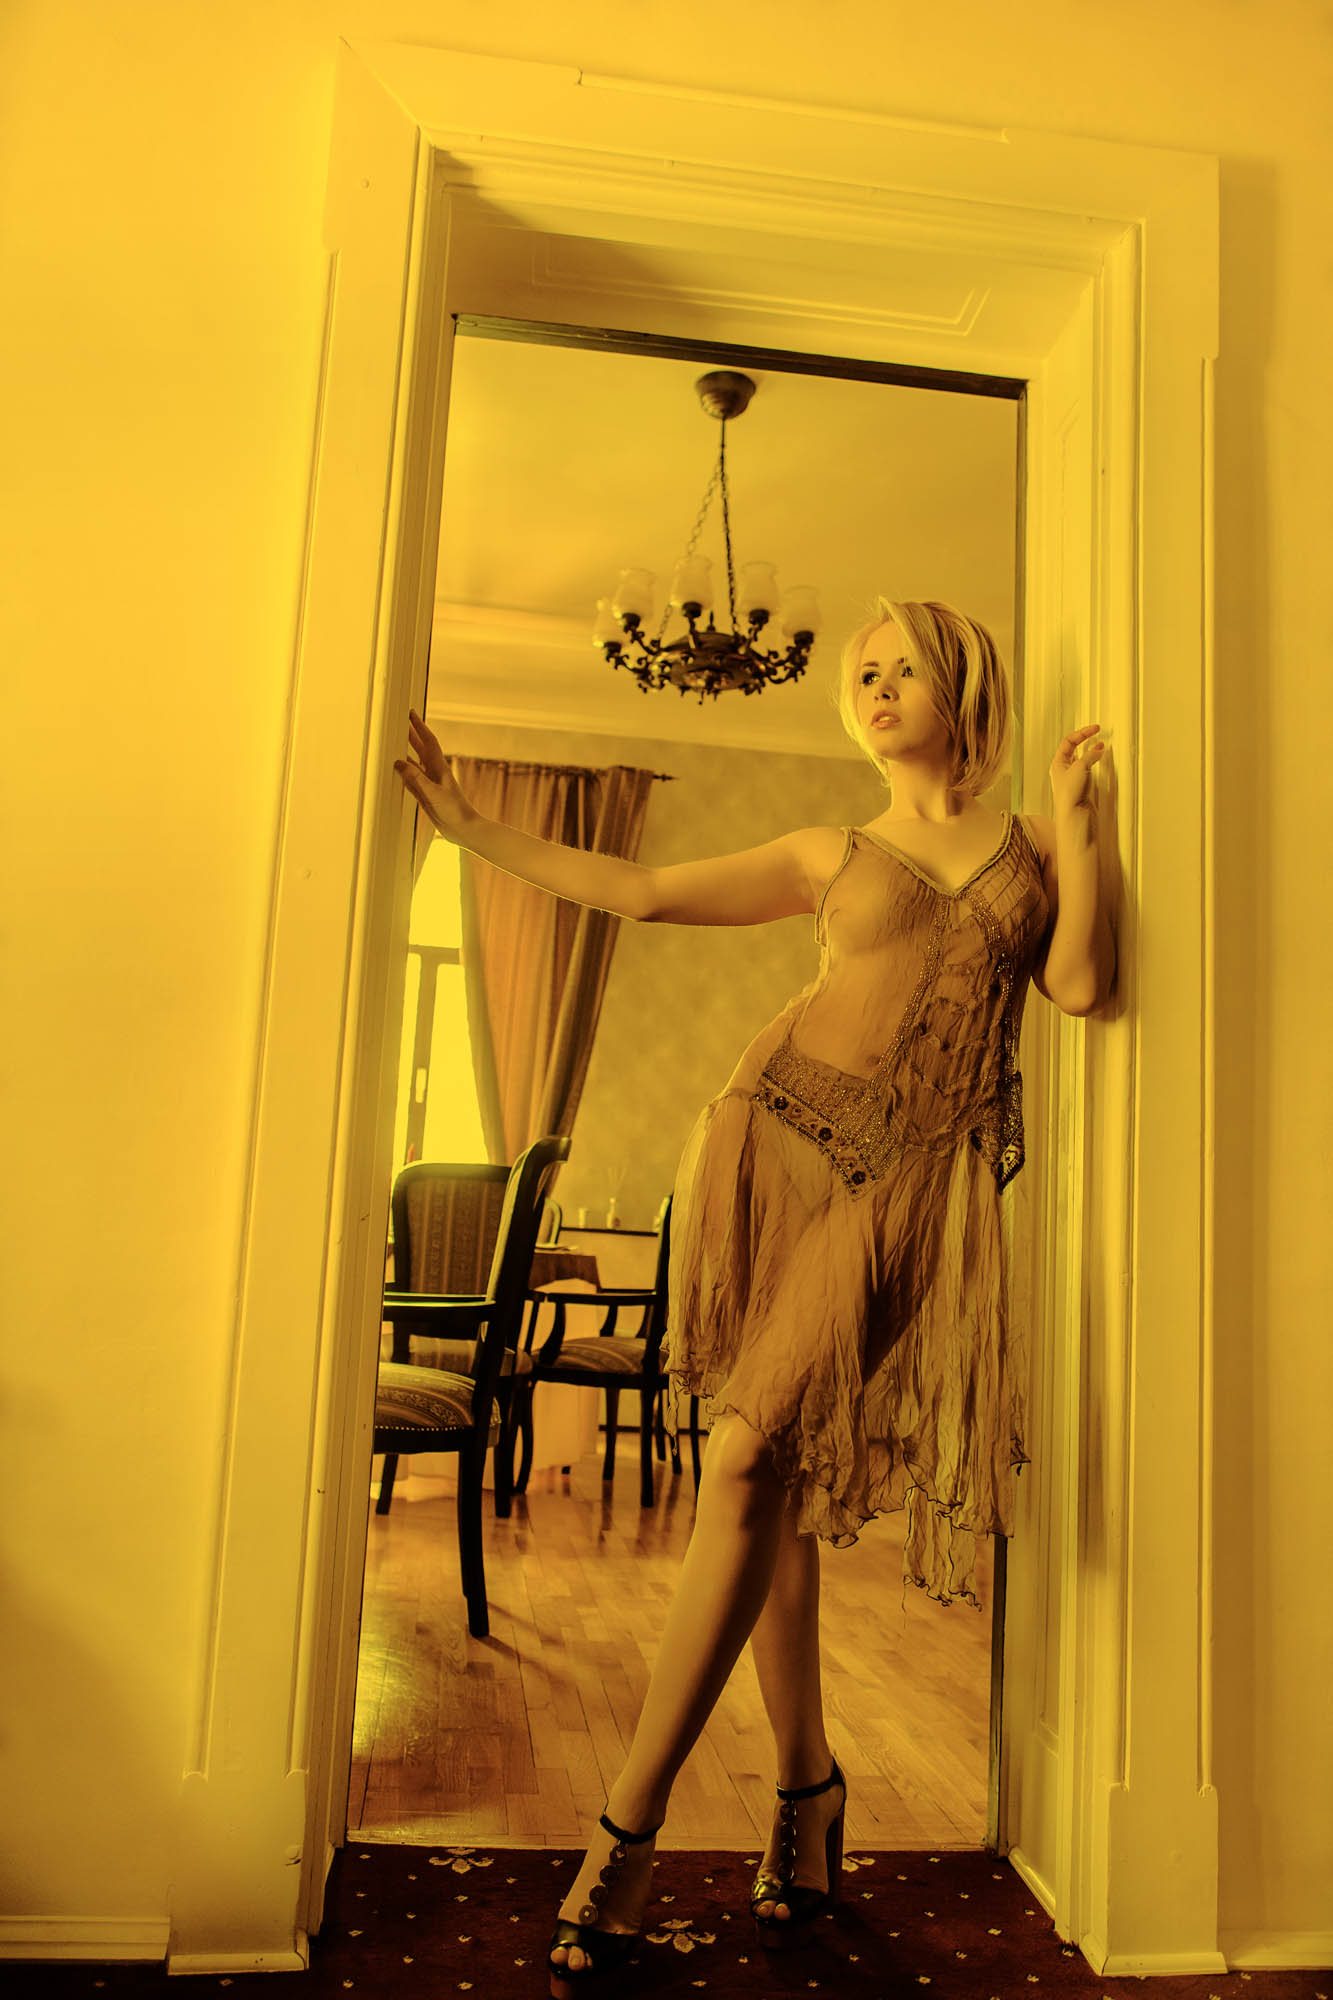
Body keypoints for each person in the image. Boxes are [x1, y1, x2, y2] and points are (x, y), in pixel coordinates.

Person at [392, 596, 1116, 1998]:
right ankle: (805, 1794)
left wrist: (1080, 828)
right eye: (862, 674)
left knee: (738, 1464)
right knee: (764, 1477)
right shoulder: (830, 850)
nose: (877, 688)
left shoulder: (1029, 844)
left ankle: (629, 1823)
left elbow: (1080, 985)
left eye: (903, 667)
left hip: (913, 1187)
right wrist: (468, 828)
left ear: (963, 684)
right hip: (773, 1141)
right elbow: (644, 892)